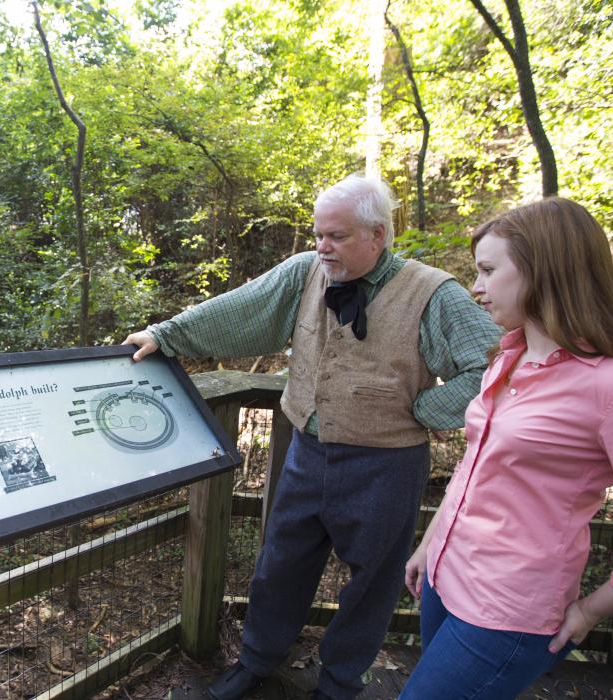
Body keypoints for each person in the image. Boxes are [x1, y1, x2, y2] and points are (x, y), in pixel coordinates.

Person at [122, 175, 500, 700]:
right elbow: (239, 309)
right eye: (319, 234)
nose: (322, 246)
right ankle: (256, 662)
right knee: (280, 564)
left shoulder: (432, 292)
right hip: (306, 452)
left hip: (386, 464)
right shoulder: (306, 273)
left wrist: (425, 409)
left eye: (338, 237)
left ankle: (341, 682)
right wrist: (164, 335)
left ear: (379, 235)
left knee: (371, 583)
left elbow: (493, 368)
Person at [399, 198, 613, 699]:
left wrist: (593, 609)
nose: (476, 287)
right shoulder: (508, 360)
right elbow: (473, 468)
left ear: (543, 271)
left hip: (508, 613)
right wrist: (429, 545)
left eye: (488, 270)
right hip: (446, 581)